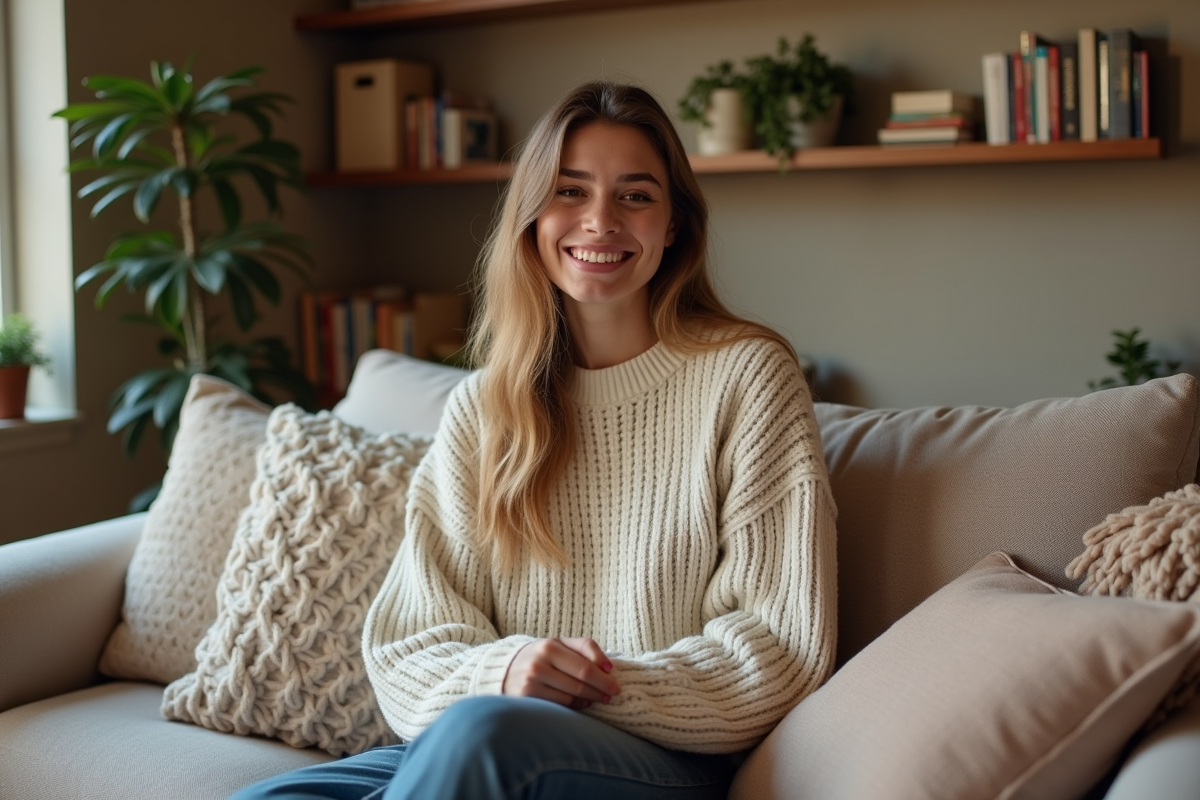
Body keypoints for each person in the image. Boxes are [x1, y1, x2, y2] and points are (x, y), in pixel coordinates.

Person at [231, 81, 836, 800]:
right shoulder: (483, 407)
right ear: (532, 216)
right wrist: (505, 672)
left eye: (635, 195)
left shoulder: (748, 377)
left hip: (670, 758)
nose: (601, 220)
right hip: (490, 735)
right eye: (570, 191)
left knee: (481, 737)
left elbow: (779, 645)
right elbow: (406, 647)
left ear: (673, 223)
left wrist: (585, 685)